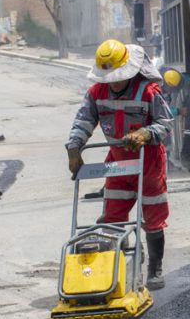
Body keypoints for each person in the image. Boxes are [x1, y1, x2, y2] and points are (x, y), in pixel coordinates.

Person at [66, 39, 173, 290]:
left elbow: (165, 123)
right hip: (117, 163)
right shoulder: (96, 93)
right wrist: (74, 147)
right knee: (112, 217)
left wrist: (145, 133)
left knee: (153, 217)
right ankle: (119, 265)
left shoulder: (148, 92)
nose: (112, 82)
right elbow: (83, 121)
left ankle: (155, 268)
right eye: (108, 77)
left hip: (149, 162)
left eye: (117, 76)